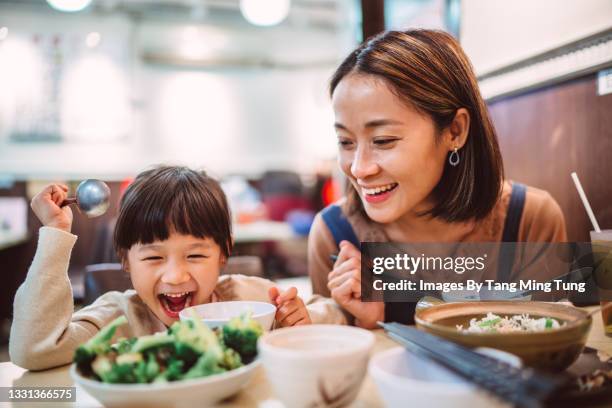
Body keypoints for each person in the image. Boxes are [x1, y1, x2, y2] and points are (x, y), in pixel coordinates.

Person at [308, 29, 567, 329]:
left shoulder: (530, 220)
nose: (359, 168)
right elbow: (333, 366)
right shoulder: (334, 235)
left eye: (383, 140)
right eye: (346, 142)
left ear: (454, 131)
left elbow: (551, 347)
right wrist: (364, 324)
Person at [11, 166, 345, 370]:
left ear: (223, 254)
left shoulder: (250, 299)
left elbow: (333, 314)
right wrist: (55, 233)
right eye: (154, 258)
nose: (175, 276)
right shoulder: (119, 319)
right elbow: (33, 350)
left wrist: (300, 320)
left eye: (196, 256)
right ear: (126, 260)